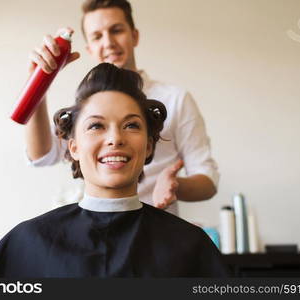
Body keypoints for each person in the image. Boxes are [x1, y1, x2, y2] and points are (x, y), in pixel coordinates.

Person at [0, 63, 227, 277]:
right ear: (73, 147)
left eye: (131, 125)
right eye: (96, 126)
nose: (115, 138)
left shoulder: (189, 246)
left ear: (149, 145)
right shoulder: (30, 242)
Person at [26, 0, 219, 215]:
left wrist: (176, 185)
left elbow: (207, 180)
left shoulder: (176, 99)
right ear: (89, 48)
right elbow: (42, 155)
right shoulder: (86, 106)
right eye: (97, 36)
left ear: (134, 36)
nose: (108, 43)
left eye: (116, 30)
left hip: (155, 231)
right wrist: (37, 82)